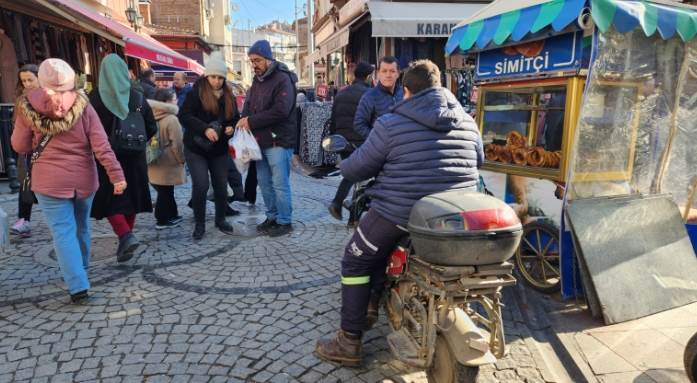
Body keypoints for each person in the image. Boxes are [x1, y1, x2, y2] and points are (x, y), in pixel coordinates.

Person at [315, 60, 484, 366]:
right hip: (458, 214)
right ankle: (374, 301)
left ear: (406, 91)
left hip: (401, 211)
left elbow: (359, 167)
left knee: (355, 259)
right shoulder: (467, 120)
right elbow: (479, 161)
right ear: (440, 85)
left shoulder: (392, 123)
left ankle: (348, 342)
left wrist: (344, 161)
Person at [11, 59, 126, 302]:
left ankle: (78, 286)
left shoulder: (26, 106)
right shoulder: (83, 105)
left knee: (62, 232)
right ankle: (81, 271)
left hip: (48, 181)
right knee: (82, 226)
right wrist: (116, 175)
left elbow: (19, 146)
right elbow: (101, 146)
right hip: (83, 178)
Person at [89, 54, 158, 262]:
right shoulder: (137, 94)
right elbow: (151, 127)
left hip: (108, 157)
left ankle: (125, 235)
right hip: (135, 157)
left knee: (110, 200)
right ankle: (126, 239)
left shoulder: (95, 97)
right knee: (132, 199)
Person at [239, 40, 298, 237]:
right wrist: (243, 119)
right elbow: (248, 105)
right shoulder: (257, 81)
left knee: (280, 183)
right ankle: (272, 216)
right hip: (259, 142)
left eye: (257, 60)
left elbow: (281, 111)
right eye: (251, 61)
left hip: (278, 141)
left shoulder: (283, 79)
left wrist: (251, 121)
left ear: (268, 58)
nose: (253, 64)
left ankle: (284, 221)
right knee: (264, 182)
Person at [179, 51, 238, 240]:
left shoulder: (229, 94)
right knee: (201, 185)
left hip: (219, 149)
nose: (217, 81)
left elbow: (235, 117)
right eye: (214, 76)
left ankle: (220, 219)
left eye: (220, 77)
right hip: (196, 148)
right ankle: (199, 223)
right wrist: (204, 129)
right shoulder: (196, 91)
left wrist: (231, 127)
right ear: (207, 75)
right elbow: (184, 116)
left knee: (221, 185)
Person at [327, 62, 374, 221]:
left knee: (354, 175)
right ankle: (339, 203)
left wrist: (334, 139)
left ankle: (349, 212)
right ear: (368, 76)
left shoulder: (341, 94)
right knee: (356, 176)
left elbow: (333, 120)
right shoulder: (370, 94)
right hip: (361, 141)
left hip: (342, 142)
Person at [147, 87, 185, 229]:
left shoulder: (150, 114)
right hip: (168, 161)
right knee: (165, 191)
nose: (177, 101)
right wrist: (181, 159)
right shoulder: (171, 119)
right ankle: (162, 219)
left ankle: (172, 215)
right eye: (175, 99)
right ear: (167, 102)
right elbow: (177, 144)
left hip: (153, 159)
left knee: (165, 190)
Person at [10, 64, 40, 237]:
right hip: (26, 148)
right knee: (26, 183)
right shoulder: (21, 99)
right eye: (24, 81)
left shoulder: (47, 97)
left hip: (45, 150)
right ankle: (24, 219)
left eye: (30, 79)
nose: (27, 84)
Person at [353, 56, 404, 139]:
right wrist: (377, 140)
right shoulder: (369, 96)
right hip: (381, 149)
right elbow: (359, 125)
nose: (388, 75)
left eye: (392, 71)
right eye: (384, 71)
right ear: (378, 73)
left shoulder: (404, 93)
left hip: (403, 147)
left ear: (398, 73)